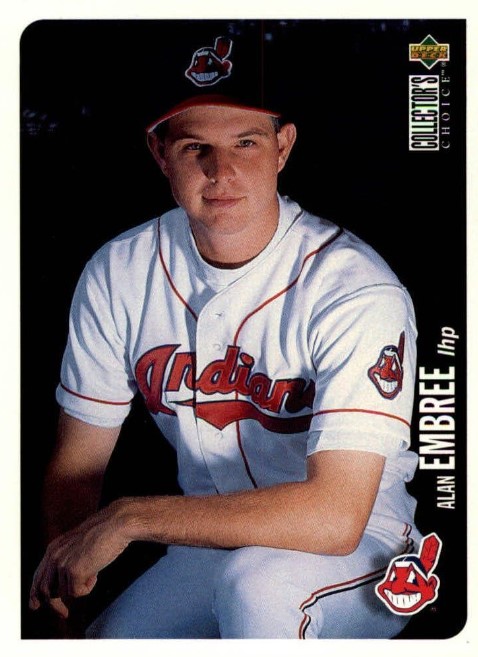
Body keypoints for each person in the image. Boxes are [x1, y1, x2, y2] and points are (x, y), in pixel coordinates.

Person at [29, 24, 422, 639]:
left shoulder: (353, 286)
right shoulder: (118, 271)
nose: (222, 170)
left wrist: (130, 518)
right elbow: (77, 467)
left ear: (283, 146)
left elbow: (336, 516)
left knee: (258, 590)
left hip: (367, 547)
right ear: (159, 152)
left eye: (246, 141)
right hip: (207, 540)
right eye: (195, 147)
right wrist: (65, 590)